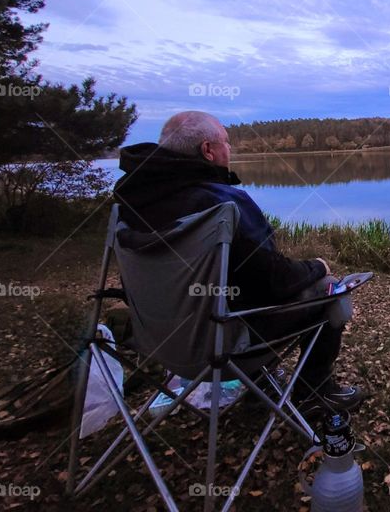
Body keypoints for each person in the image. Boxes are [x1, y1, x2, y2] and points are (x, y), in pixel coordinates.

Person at [112, 110, 365, 414]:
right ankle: (315, 391)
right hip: (221, 348)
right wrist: (318, 266)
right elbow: (272, 281)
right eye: (227, 142)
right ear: (208, 150)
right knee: (329, 289)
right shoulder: (222, 203)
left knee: (235, 291)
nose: (230, 149)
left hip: (158, 342)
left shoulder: (130, 203)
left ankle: (263, 386)